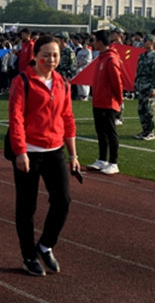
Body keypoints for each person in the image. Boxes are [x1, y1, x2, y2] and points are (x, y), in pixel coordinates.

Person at [8, 34, 79, 276]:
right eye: (46, 55)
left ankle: (46, 245)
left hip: (55, 150)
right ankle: (28, 255)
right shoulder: (22, 81)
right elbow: (16, 118)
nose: (51, 60)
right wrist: (21, 151)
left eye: (55, 55)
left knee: (63, 200)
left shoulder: (63, 83)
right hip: (29, 152)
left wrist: (74, 155)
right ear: (35, 56)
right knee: (27, 207)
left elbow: (67, 118)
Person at [88, 30, 123, 175]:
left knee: (110, 133)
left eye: (95, 40)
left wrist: (118, 101)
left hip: (108, 103)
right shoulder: (102, 58)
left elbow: (117, 83)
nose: (93, 43)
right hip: (98, 101)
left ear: (101, 42)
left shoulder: (110, 59)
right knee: (100, 132)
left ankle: (113, 162)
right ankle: (102, 159)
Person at [134, 36, 155, 140]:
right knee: (141, 109)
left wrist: (153, 88)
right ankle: (145, 130)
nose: (143, 43)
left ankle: (150, 131)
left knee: (150, 109)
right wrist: (136, 83)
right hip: (141, 85)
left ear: (151, 43)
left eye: (145, 41)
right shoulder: (142, 56)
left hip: (149, 86)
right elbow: (138, 71)